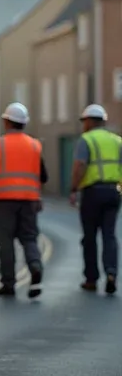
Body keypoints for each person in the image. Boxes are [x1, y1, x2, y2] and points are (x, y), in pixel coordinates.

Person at [0, 102, 46, 298]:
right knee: (29, 238)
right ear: (24, 123)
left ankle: (8, 283)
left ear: (6, 122)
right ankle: (35, 265)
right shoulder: (34, 145)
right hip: (29, 201)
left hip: (3, 201)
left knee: (6, 243)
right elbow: (43, 176)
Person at [68, 104, 121, 295]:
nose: (83, 125)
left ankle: (91, 279)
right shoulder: (117, 141)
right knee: (109, 235)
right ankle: (112, 273)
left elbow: (79, 166)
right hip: (113, 192)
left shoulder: (86, 140)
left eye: (84, 121)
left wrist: (73, 188)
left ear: (89, 122)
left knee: (89, 237)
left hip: (92, 193)